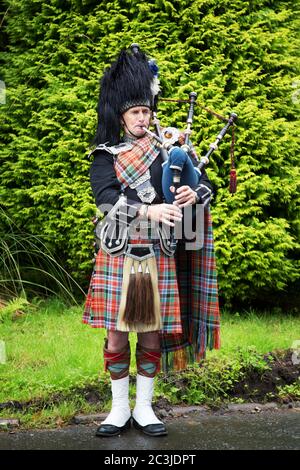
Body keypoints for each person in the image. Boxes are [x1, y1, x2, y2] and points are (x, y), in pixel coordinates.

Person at [83, 46, 220, 438]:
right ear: (121, 116)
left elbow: (204, 183)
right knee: (115, 332)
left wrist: (194, 195)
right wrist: (150, 212)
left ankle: (144, 407)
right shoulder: (105, 155)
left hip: (156, 252)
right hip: (117, 251)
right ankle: (118, 408)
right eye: (135, 113)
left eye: (146, 112)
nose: (142, 119)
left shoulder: (169, 148)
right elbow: (106, 200)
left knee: (150, 331)